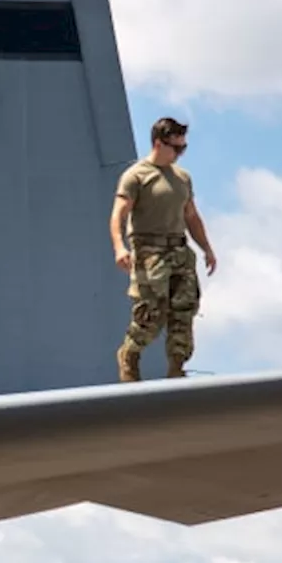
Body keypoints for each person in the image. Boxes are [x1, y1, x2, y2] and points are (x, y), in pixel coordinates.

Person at [109, 117, 217, 381]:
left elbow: (191, 216)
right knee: (151, 313)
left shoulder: (182, 178)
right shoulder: (136, 176)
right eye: (176, 148)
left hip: (179, 250)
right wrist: (119, 247)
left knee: (184, 311)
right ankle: (129, 354)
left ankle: (177, 370)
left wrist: (206, 248)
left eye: (183, 148)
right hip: (149, 252)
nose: (179, 154)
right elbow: (118, 215)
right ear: (159, 143)